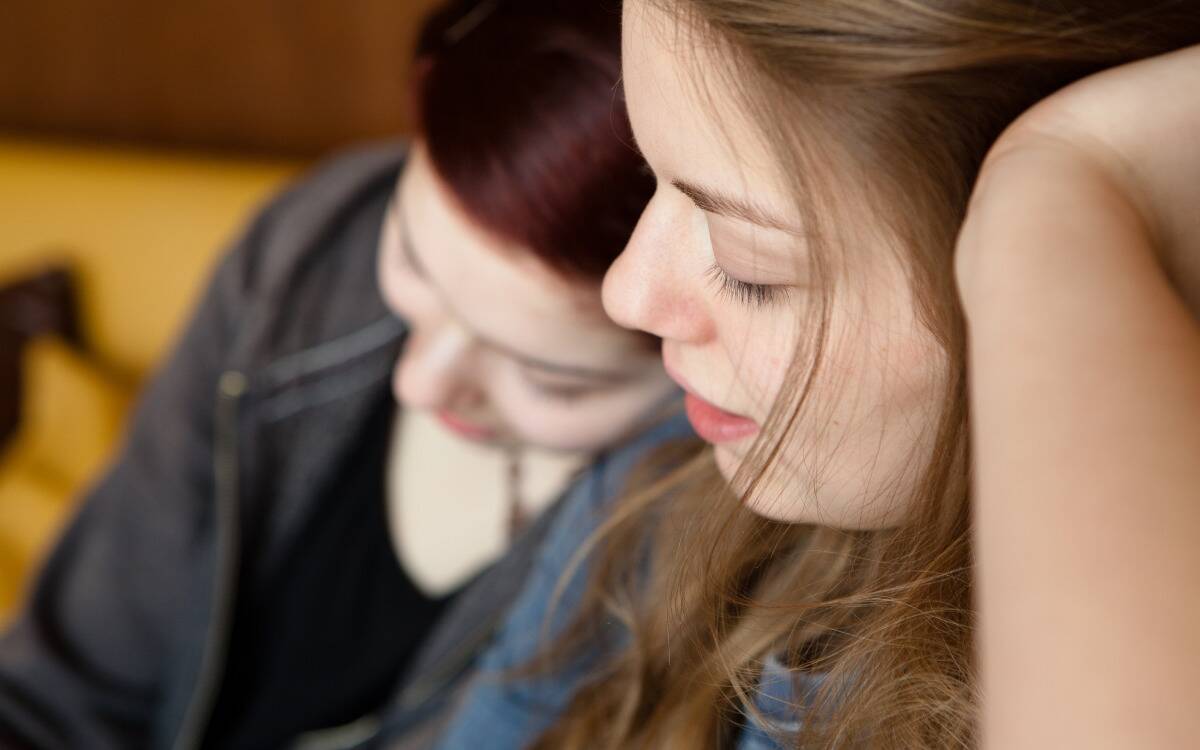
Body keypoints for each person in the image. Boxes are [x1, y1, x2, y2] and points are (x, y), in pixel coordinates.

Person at [432, 1, 1200, 748]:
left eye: (749, 268)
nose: (626, 292)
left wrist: (1068, 174)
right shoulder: (656, 500)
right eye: (650, 174)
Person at [0, 1, 690, 748]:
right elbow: (62, 688)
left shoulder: (700, 531)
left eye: (551, 380)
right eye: (414, 269)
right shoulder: (316, 250)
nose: (421, 385)